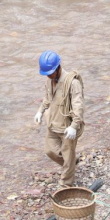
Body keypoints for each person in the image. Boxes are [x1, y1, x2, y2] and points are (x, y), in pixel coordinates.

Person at [33, 51, 84, 187]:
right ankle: (71, 164)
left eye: (50, 72)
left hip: (67, 126)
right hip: (53, 123)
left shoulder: (73, 83)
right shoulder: (49, 79)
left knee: (68, 156)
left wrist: (74, 126)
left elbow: (78, 106)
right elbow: (47, 98)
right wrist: (40, 111)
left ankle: (65, 184)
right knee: (50, 151)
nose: (48, 76)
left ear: (57, 68)